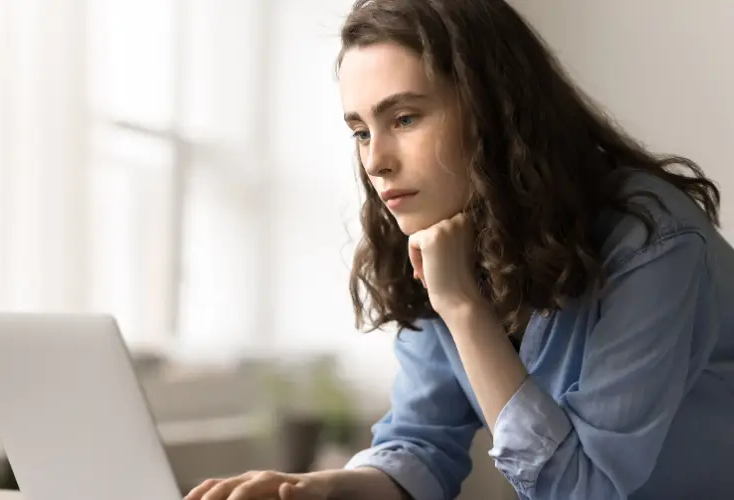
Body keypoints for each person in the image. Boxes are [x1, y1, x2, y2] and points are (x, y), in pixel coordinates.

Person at [185, 0, 734, 499]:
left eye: (404, 118)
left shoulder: (651, 245)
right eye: (360, 131)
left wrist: (464, 307)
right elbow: (422, 446)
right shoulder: (444, 231)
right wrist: (317, 490)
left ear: (494, 111)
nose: (375, 161)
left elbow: (582, 492)